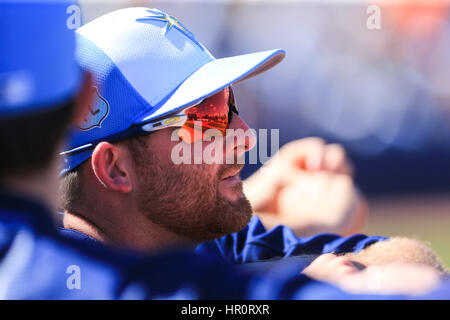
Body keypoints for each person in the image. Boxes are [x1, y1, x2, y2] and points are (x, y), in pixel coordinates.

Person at [0, 1, 447, 300]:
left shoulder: (194, 231)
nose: (244, 134)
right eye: (206, 115)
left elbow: (412, 262)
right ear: (115, 168)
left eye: (228, 102)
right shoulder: (57, 274)